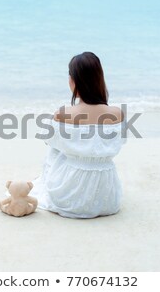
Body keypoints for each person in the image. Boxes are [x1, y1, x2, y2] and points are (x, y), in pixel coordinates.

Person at [29, 52, 126, 218]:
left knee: (55, 149)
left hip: (69, 195)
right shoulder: (117, 114)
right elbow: (117, 144)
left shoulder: (63, 114)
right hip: (108, 198)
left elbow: (50, 143)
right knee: (69, 145)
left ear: (74, 81)